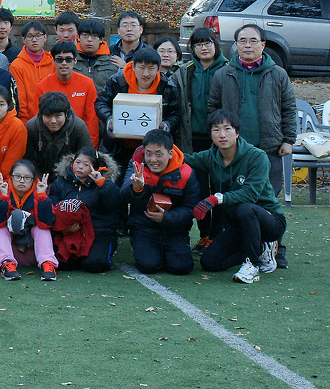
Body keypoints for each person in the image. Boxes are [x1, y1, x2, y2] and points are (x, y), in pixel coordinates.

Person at [183, 110, 286, 283]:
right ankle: (261, 249)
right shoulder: (211, 156)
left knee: (245, 208)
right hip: (239, 224)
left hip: (269, 221)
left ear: (237, 133)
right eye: (216, 130)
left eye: (227, 129)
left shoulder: (257, 156)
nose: (222, 135)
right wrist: (159, 152)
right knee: (209, 262)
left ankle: (252, 264)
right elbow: (185, 159)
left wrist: (216, 199)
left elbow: (250, 194)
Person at [208, 24, 295, 202]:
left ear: (263, 45)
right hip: (233, 149)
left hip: (269, 147)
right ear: (236, 45)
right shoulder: (223, 74)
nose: (248, 45)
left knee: (268, 197)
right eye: (243, 41)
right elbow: (213, 108)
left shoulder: (278, 74)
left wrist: (288, 140)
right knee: (233, 198)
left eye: (253, 41)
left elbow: (288, 108)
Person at [176, 29, 229, 254]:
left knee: (220, 189)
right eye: (198, 44)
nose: (203, 48)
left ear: (215, 45)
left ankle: (220, 236)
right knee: (199, 191)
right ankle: (205, 235)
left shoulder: (228, 70)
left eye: (207, 43)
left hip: (221, 141)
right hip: (192, 141)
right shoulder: (186, 71)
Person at [121, 130, 199, 275]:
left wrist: (167, 217)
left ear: (170, 154)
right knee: (149, 266)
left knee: (181, 268)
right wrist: (136, 188)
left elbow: (191, 209)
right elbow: (122, 196)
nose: (153, 160)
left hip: (175, 230)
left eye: (159, 154)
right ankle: (141, 246)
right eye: (148, 154)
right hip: (144, 229)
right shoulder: (136, 166)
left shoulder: (186, 173)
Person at [95, 47, 182, 167]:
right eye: (141, 67)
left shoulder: (167, 87)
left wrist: (166, 125)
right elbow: (101, 103)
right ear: (133, 66)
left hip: (153, 148)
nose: (146, 73)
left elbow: (176, 113)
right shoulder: (117, 82)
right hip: (119, 146)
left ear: (159, 68)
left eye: (151, 68)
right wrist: (109, 119)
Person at [48, 147, 121, 272]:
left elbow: (114, 205)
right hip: (69, 232)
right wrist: (63, 227)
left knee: (94, 264)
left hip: (98, 232)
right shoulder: (61, 182)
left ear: (95, 167)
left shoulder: (104, 182)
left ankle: (103, 254)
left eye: (86, 164)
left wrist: (101, 183)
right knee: (63, 264)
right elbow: (53, 207)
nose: (80, 167)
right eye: (77, 162)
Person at [0, 159, 58, 281]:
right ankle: (6, 264)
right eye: (18, 176)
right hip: (11, 250)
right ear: (11, 177)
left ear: (33, 179)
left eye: (27, 177)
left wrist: (42, 197)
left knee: (41, 229)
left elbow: (47, 223)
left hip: (32, 250)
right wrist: (3, 197)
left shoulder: (39, 190)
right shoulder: (3, 189)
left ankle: (48, 264)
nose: (22, 181)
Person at [36, 42, 100, 146]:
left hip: (79, 139)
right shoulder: (42, 86)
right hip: (51, 141)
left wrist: (91, 148)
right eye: (59, 60)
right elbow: (38, 119)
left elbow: (92, 120)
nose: (64, 63)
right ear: (53, 61)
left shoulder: (87, 84)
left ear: (75, 61)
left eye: (68, 59)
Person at [25, 91, 92, 178]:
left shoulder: (79, 128)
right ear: (41, 115)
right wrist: (38, 180)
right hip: (38, 176)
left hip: (70, 177)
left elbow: (87, 159)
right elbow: (27, 161)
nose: (53, 121)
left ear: (66, 114)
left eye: (58, 116)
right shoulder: (32, 127)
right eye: (48, 116)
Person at [9, 21, 55, 125]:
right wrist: (25, 123)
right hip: (29, 122)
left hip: (53, 120)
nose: (34, 40)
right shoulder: (17, 66)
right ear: (23, 39)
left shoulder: (53, 63)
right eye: (30, 36)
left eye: (38, 35)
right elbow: (20, 99)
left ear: (45, 37)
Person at [75, 18, 118, 93]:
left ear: (101, 39)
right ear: (78, 38)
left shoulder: (112, 62)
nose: (89, 40)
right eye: (85, 35)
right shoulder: (70, 61)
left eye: (94, 36)